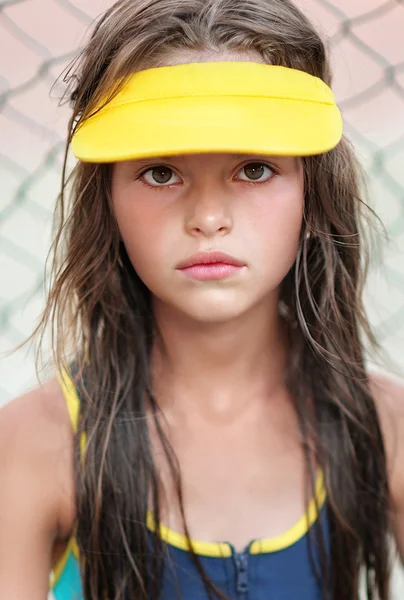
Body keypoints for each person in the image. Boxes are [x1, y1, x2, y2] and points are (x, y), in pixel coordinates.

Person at [0, 0, 403, 599]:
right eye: (162, 172)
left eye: (255, 168)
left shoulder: (384, 429)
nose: (209, 217)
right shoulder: (36, 445)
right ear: (106, 200)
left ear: (312, 193)